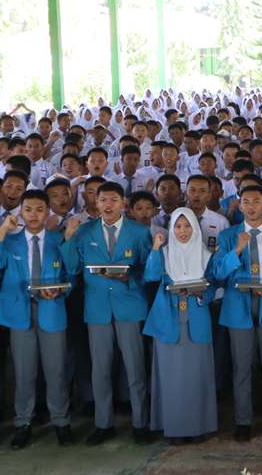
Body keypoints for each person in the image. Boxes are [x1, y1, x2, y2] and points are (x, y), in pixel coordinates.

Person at [60, 181, 153, 446]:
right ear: (96, 203)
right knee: (100, 369)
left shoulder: (138, 232)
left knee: (135, 368)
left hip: (130, 305)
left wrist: (130, 277)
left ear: (123, 203)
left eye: (113, 200)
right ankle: (104, 423)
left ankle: (140, 423)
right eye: (103, 200)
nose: (108, 205)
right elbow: (73, 267)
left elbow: (150, 269)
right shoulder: (85, 231)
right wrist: (68, 238)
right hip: (98, 308)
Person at [0, 190, 73, 448]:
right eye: (28, 210)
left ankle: (61, 422)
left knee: (56, 372)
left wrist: (60, 290)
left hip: (52, 310)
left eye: (39, 210)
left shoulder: (59, 240)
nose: (33, 215)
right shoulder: (10, 242)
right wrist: (2, 230)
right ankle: (23, 423)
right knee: (24, 373)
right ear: (20, 213)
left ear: (47, 213)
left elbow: (72, 274)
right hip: (19, 313)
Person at [212, 185, 262, 441]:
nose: (251, 206)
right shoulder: (228, 236)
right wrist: (237, 250)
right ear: (240, 205)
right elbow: (218, 274)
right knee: (242, 366)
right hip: (238, 304)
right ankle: (243, 421)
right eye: (245, 202)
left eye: (256, 201)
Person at [143, 207, 217, 444]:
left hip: (196, 319)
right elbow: (151, 277)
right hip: (168, 322)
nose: (183, 231)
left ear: (195, 227)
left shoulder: (205, 254)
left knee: (197, 376)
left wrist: (201, 294)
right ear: (171, 228)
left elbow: (214, 286)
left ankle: (198, 428)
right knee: (170, 377)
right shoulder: (163, 253)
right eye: (178, 226)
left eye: (187, 226)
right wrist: (155, 248)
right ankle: (173, 428)